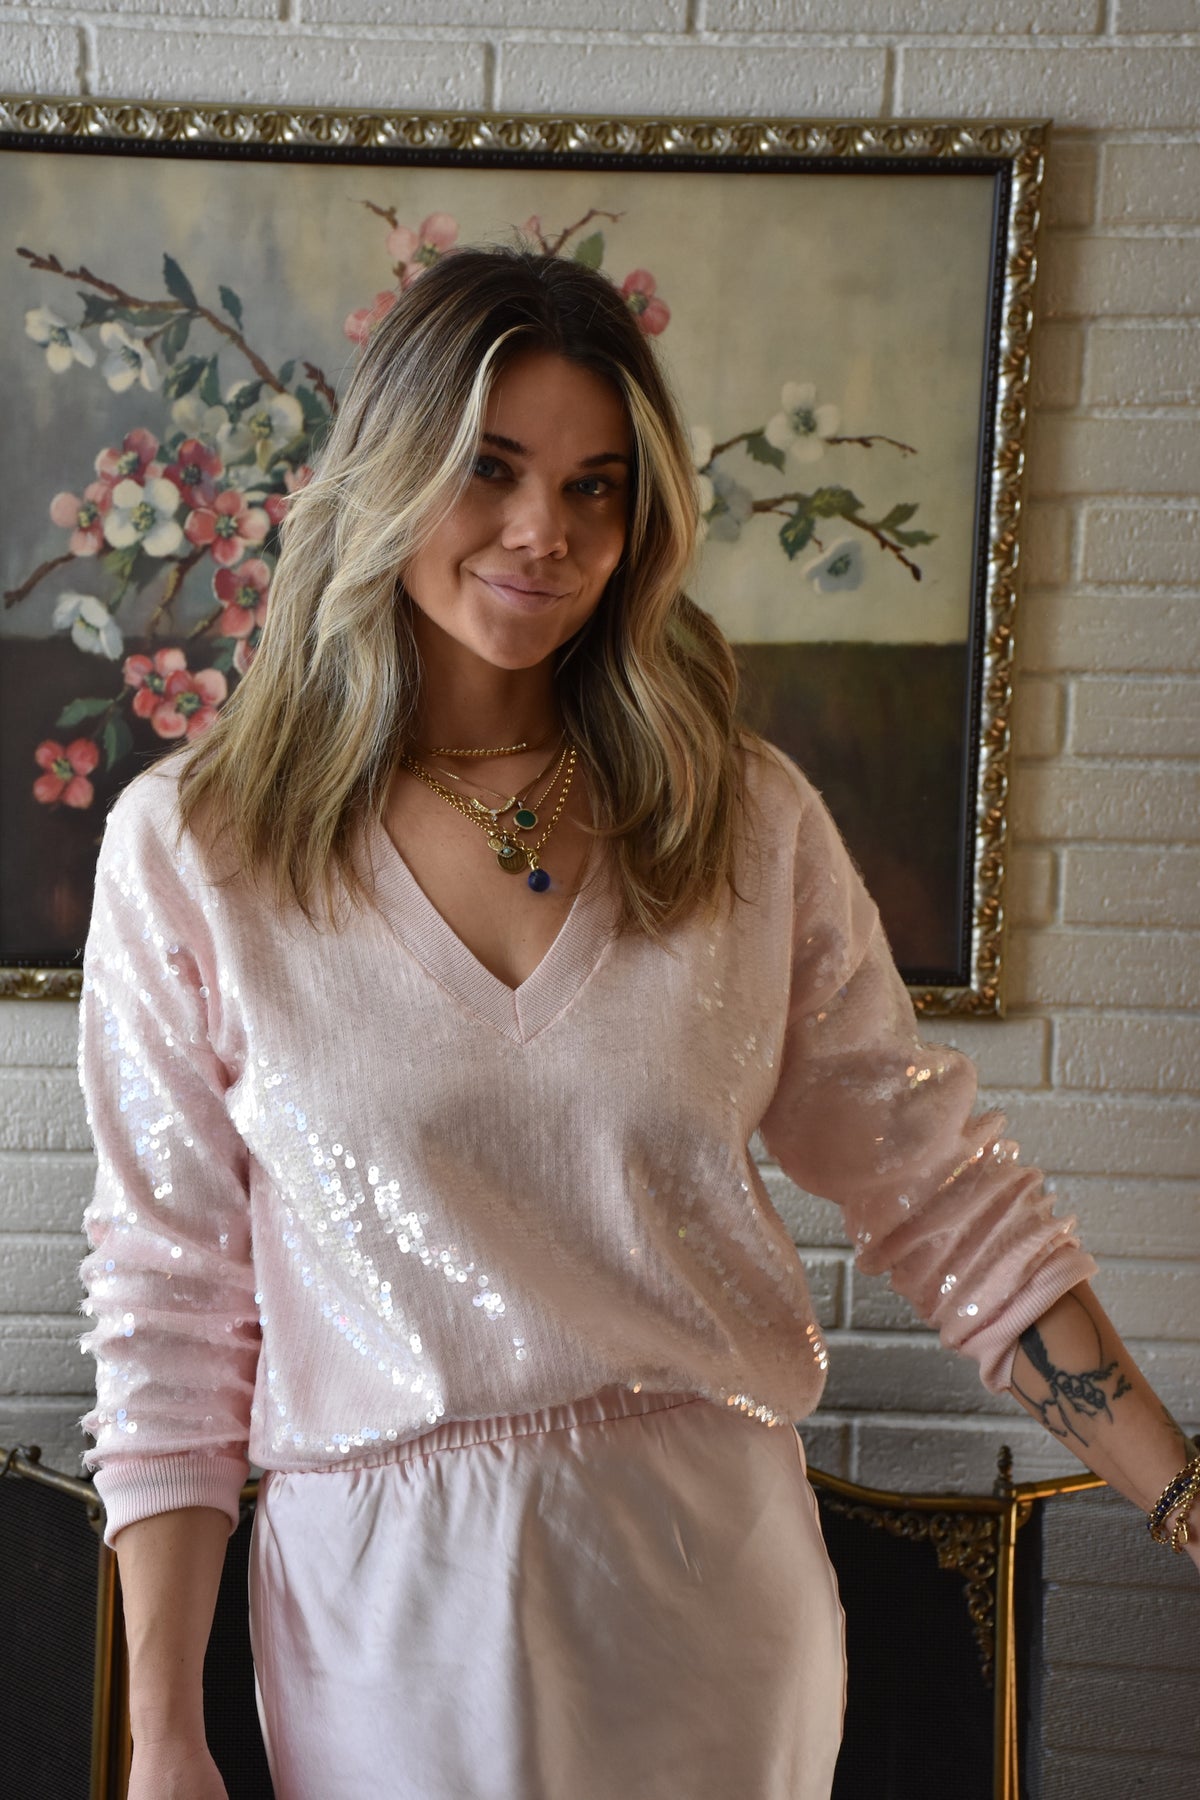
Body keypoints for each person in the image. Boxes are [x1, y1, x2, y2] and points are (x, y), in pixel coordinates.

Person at [77, 246, 1199, 1800]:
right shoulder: (200, 846)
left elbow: (944, 1196)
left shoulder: (739, 821)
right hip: (383, 1616)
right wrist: (163, 1734)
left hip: (712, 1589)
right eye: (491, 468)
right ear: (390, 472)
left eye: (594, 487)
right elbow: (171, 1304)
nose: (545, 531)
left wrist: (1183, 1497)